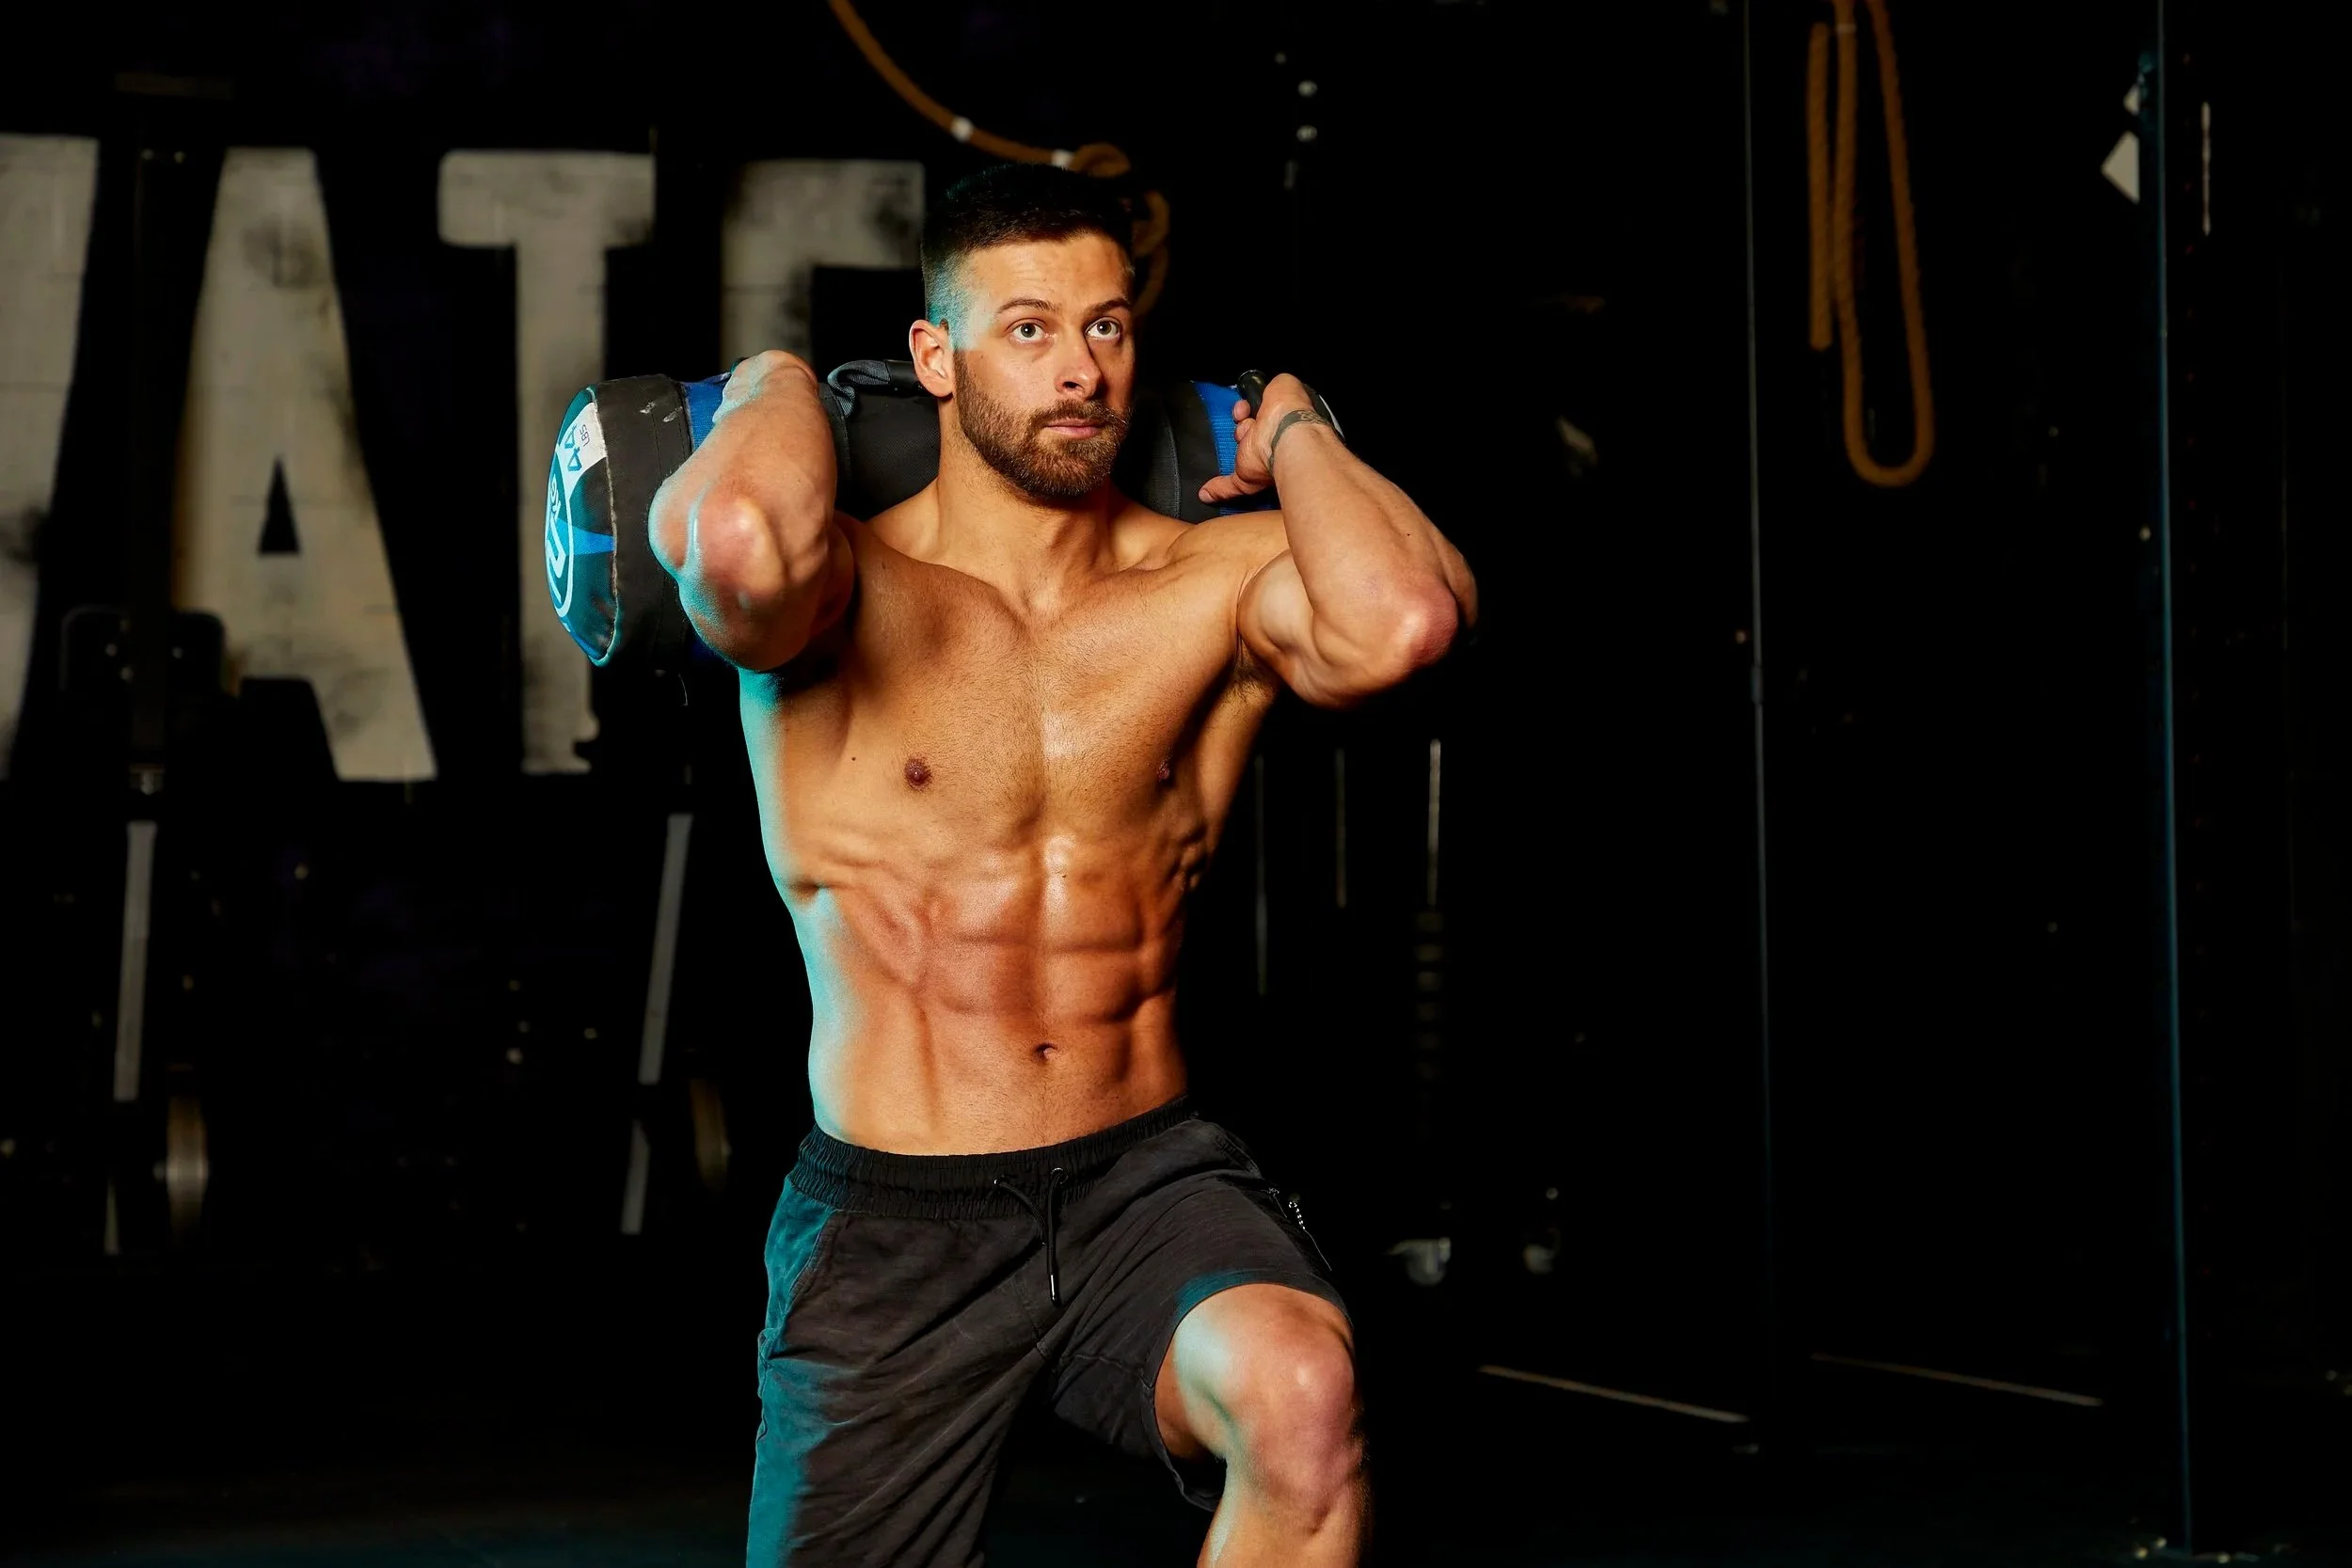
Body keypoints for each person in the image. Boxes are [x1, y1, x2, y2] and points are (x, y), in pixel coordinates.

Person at [652, 162, 1476, 1567]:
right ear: (936, 355)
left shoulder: (1208, 584)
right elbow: (735, 540)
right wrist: (784, 381)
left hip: (1140, 1181)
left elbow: (1399, 618)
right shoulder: (847, 587)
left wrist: (1295, 434)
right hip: (893, 1218)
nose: (1081, 370)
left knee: (1301, 1394)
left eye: (1106, 327)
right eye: (1026, 328)